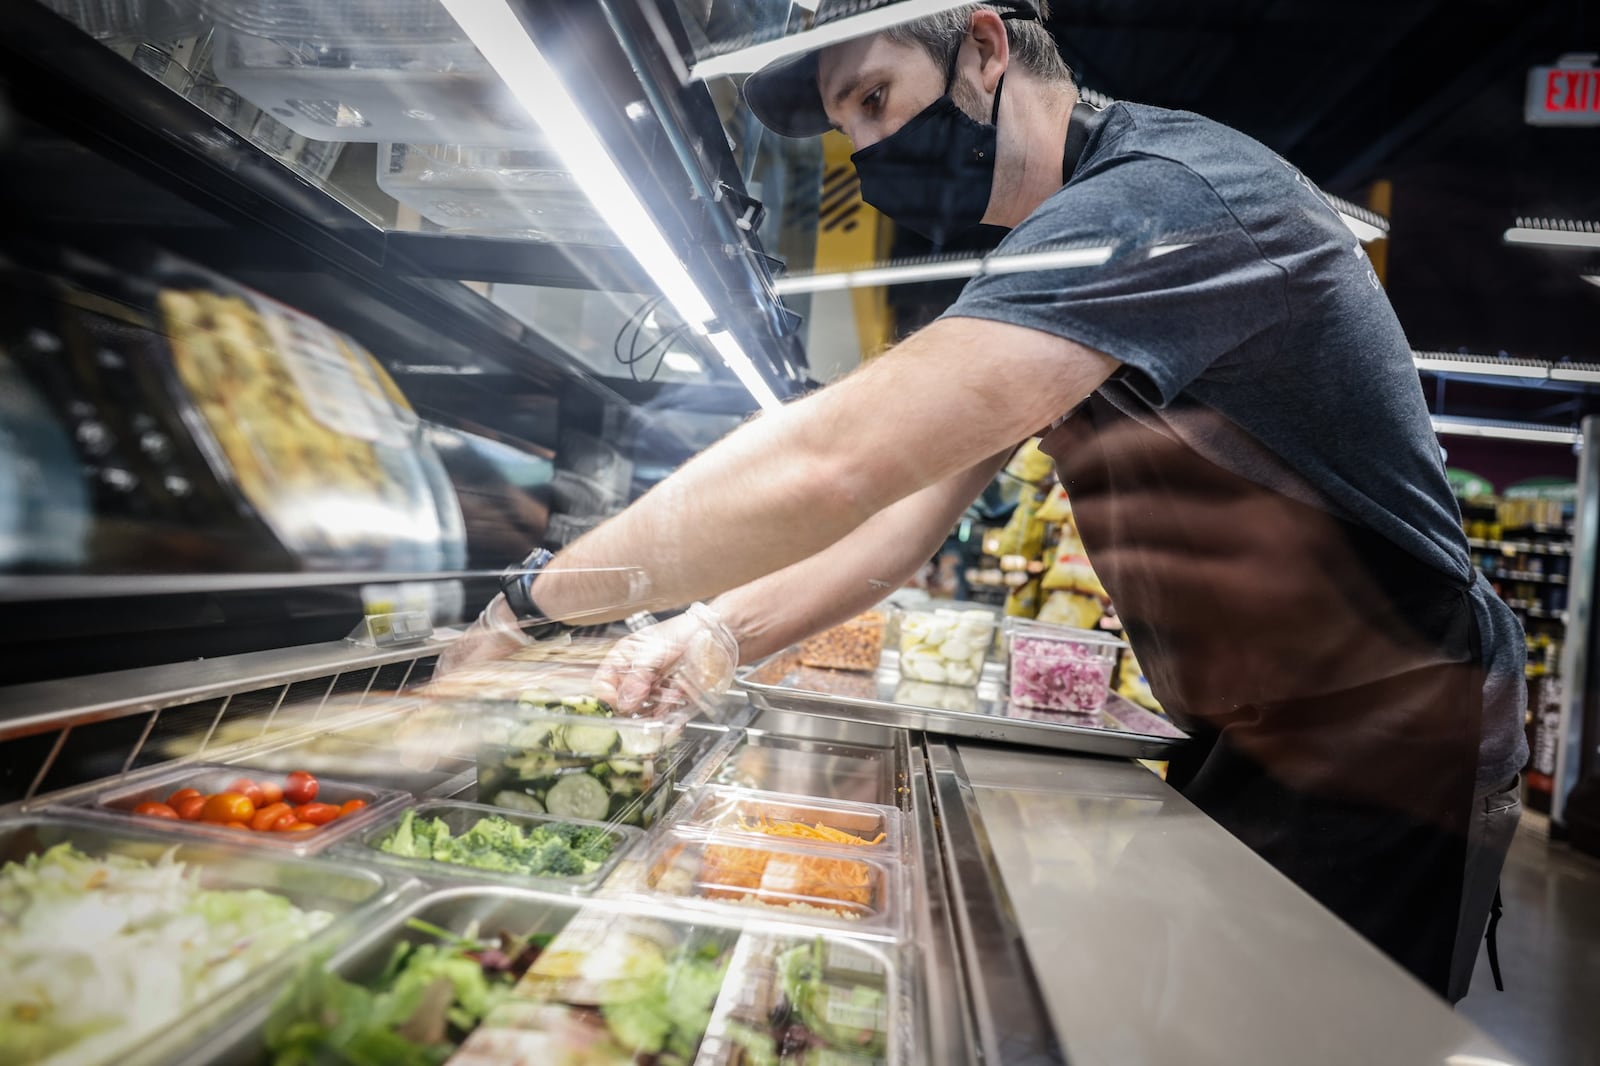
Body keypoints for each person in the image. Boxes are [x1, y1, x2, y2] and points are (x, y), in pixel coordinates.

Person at [441, 0, 1525, 1002]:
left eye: (874, 98)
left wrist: (529, 607)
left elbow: (835, 463)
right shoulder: (1063, 245)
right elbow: (896, 525)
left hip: (1392, 721)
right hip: (1260, 717)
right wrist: (716, 631)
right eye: (845, 126)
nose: (867, 153)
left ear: (986, 46)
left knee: (1294, 1022)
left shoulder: (1165, 199)